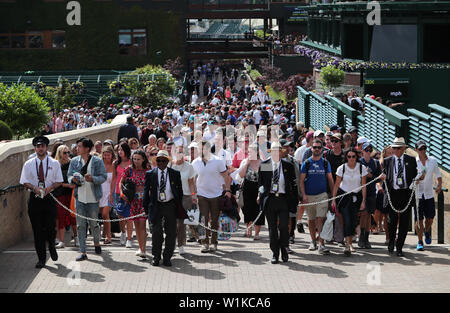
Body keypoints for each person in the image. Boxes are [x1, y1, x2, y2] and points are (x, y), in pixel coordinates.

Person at [20, 136, 63, 268]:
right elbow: (24, 181)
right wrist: (34, 188)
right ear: (35, 148)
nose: (40, 148)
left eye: (42, 146)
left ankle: (51, 246)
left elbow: (59, 181)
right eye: (38, 146)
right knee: (37, 231)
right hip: (35, 199)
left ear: (46, 148)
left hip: (49, 199)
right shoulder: (28, 164)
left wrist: (49, 188)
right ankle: (41, 259)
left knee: (50, 228)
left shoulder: (54, 163)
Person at [258, 141, 299, 264]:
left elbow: (293, 184)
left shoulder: (287, 165)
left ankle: (284, 250)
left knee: (283, 227)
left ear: (281, 153)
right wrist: (260, 194)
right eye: (274, 151)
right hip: (270, 199)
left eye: (278, 151)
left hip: (283, 199)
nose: (276, 154)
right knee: (272, 228)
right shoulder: (265, 165)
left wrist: (296, 198)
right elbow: (261, 182)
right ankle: (275, 253)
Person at [68, 137, 107, 261]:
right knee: (80, 225)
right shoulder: (74, 161)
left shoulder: (97, 161)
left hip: (93, 198)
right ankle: (83, 252)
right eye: (77, 146)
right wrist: (72, 180)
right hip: (79, 198)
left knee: (94, 223)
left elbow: (103, 177)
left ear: (87, 148)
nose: (77, 148)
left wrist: (93, 179)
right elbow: (69, 176)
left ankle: (96, 243)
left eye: (79, 146)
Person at [143, 150, 184, 267]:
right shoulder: (150, 174)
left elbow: (179, 191)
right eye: (159, 160)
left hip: (170, 205)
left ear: (167, 162)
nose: (161, 163)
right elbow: (146, 192)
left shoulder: (175, 174)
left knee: (171, 233)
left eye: (163, 160)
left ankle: (167, 257)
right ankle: (156, 256)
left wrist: (178, 205)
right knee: (156, 233)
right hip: (156, 205)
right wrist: (146, 208)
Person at [380, 137, 418, 257]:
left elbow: (416, 175)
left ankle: (399, 247)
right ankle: (391, 242)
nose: (395, 150)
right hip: (393, 194)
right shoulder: (387, 161)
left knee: (404, 222)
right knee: (392, 221)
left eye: (397, 148)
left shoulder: (411, 160)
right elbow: (385, 175)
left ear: (403, 149)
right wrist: (383, 178)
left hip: (406, 193)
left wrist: (419, 178)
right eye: (394, 148)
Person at [192, 141, 232, 253]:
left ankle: (214, 242)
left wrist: (228, 190)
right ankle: (205, 243)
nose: (200, 151)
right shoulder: (195, 162)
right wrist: (193, 194)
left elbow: (226, 176)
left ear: (208, 149)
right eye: (199, 149)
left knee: (214, 220)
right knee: (203, 219)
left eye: (202, 149)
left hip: (216, 194)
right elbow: (193, 179)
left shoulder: (218, 161)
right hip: (201, 194)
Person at [299, 139, 334, 255]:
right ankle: (313, 240)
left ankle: (321, 243)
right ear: (311, 148)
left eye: (319, 147)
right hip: (309, 196)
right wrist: (303, 195)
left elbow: (330, 180)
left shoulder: (325, 163)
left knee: (320, 218)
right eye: (315, 147)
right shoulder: (307, 163)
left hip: (322, 195)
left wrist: (333, 196)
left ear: (322, 149)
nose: (317, 149)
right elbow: (301, 181)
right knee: (311, 219)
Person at [332, 148, 368, 256]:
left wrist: (363, 201)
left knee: (353, 220)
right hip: (345, 197)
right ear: (346, 157)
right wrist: (333, 199)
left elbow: (363, 186)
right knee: (347, 220)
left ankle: (350, 242)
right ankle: (348, 244)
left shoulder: (361, 168)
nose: (351, 159)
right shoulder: (341, 168)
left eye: (353, 156)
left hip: (357, 197)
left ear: (356, 157)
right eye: (349, 156)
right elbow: (336, 184)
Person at [120, 150, 149, 258]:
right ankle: (141, 247)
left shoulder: (148, 170)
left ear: (143, 159)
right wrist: (122, 193)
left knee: (142, 225)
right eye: (134, 159)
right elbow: (121, 182)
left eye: (138, 159)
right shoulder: (129, 169)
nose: (136, 161)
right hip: (132, 201)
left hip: (144, 201)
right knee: (136, 224)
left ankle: (143, 250)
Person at [414, 140, 442, 251]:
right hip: (418, 195)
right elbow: (411, 179)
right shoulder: (413, 162)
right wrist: (417, 180)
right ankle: (420, 241)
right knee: (419, 220)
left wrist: (439, 185)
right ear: (416, 150)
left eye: (424, 148)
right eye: (420, 149)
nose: (423, 151)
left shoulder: (433, 161)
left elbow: (438, 175)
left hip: (429, 194)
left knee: (430, 218)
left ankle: (427, 231)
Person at [170, 144, 197, 255]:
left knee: (181, 222)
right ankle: (172, 243)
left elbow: (191, 183)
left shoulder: (189, 166)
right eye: (177, 152)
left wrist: (193, 195)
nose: (179, 154)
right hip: (172, 196)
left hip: (185, 196)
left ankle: (180, 244)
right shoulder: (170, 165)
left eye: (181, 152)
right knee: (172, 222)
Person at [238, 142, 264, 239]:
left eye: (251, 152)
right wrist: (247, 163)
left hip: (259, 187)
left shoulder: (264, 162)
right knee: (247, 210)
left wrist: (260, 193)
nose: (249, 153)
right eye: (248, 152)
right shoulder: (245, 161)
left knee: (258, 210)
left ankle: (257, 233)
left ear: (256, 152)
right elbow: (240, 175)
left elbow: (266, 179)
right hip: (247, 188)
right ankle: (248, 230)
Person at [53, 145, 76, 249]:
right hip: (60, 194)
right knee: (60, 217)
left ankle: (77, 238)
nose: (67, 155)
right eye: (64, 153)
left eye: (68, 152)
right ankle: (62, 241)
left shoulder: (72, 163)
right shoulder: (56, 165)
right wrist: (66, 184)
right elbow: (55, 181)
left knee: (73, 216)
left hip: (71, 194)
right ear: (60, 154)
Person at [111, 142, 134, 248]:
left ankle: (129, 239)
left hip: (129, 192)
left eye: (122, 150)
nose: (120, 152)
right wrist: (111, 193)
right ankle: (123, 232)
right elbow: (114, 179)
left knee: (129, 216)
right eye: (118, 150)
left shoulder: (132, 162)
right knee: (120, 216)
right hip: (117, 192)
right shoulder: (115, 163)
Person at [359, 142, 381, 249]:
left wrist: (370, 175)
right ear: (362, 151)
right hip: (360, 193)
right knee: (363, 214)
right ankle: (361, 237)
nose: (368, 152)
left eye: (370, 150)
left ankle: (366, 238)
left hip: (371, 192)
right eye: (366, 150)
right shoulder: (358, 162)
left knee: (368, 215)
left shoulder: (375, 163)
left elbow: (379, 178)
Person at [99, 145, 115, 244]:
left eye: (108, 155)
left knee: (105, 214)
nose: (106, 157)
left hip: (109, 192)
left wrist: (112, 194)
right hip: (99, 192)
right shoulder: (99, 164)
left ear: (112, 155)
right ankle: (105, 233)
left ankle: (108, 237)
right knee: (103, 215)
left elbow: (114, 180)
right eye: (105, 155)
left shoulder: (114, 164)